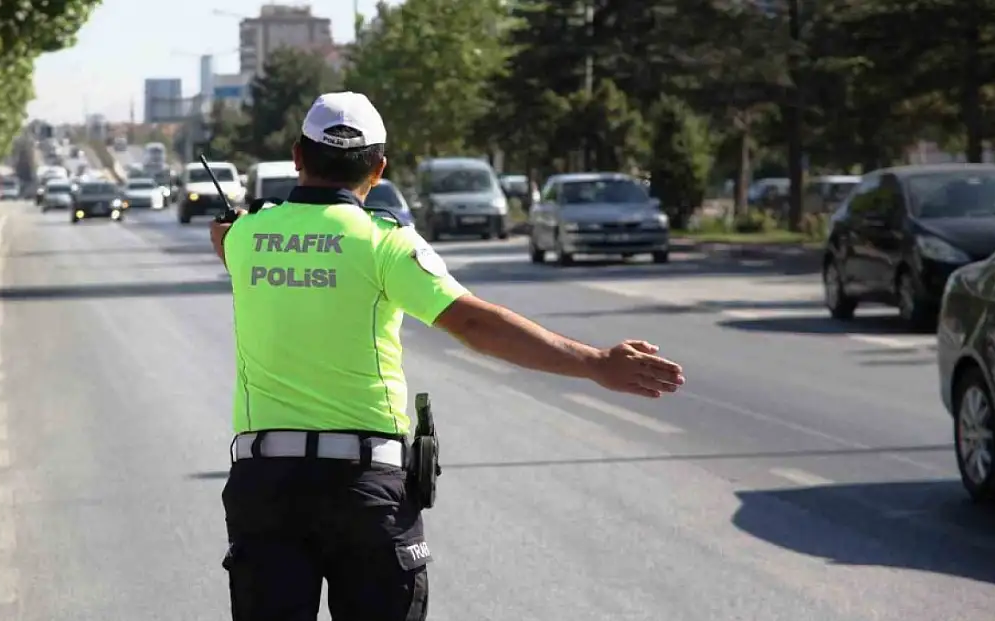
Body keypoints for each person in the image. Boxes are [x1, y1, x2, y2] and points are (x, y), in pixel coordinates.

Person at [208, 91, 686, 621]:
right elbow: (476, 323)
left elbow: (229, 245)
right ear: (379, 167)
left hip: (265, 489)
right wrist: (595, 363)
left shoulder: (247, 237)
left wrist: (237, 236)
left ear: (298, 156)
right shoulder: (385, 242)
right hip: (365, 492)